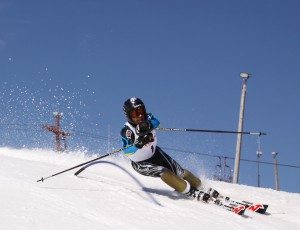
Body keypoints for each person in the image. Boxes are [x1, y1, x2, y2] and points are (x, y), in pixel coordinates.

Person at [120, 97, 210, 201]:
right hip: (140, 163)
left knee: (181, 173)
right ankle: (188, 191)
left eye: (140, 111)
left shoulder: (148, 118)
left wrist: (148, 125)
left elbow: (156, 121)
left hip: (156, 154)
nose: (139, 116)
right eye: (135, 114)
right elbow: (127, 151)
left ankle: (200, 186)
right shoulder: (127, 131)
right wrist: (137, 145)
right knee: (164, 172)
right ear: (129, 116)